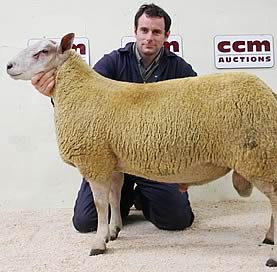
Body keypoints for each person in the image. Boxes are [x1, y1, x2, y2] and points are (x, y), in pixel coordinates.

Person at [31, 3, 197, 232]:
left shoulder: (179, 69)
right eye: (144, 30)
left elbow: (196, 114)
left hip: (157, 162)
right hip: (113, 160)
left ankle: (141, 198)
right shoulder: (113, 62)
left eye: (157, 32)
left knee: (177, 220)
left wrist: (186, 163)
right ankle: (121, 198)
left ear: (166, 35)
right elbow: (83, 101)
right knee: (85, 222)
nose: (149, 37)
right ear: (135, 31)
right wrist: (53, 95)